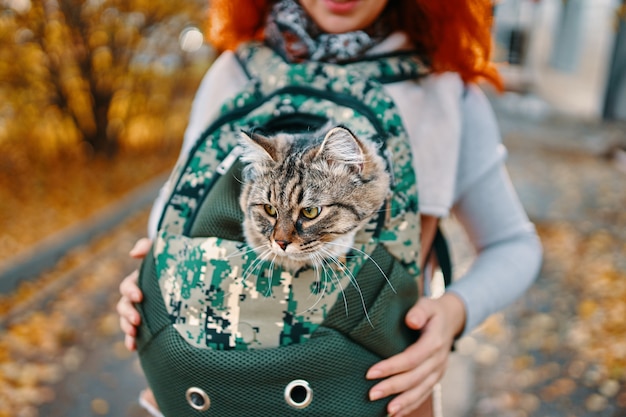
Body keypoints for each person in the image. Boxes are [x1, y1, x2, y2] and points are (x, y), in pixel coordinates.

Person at [117, 0, 543, 416]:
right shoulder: (232, 72)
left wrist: (452, 314)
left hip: (371, 391)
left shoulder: (445, 89)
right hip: (209, 388)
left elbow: (513, 244)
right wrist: (142, 281)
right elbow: (167, 230)